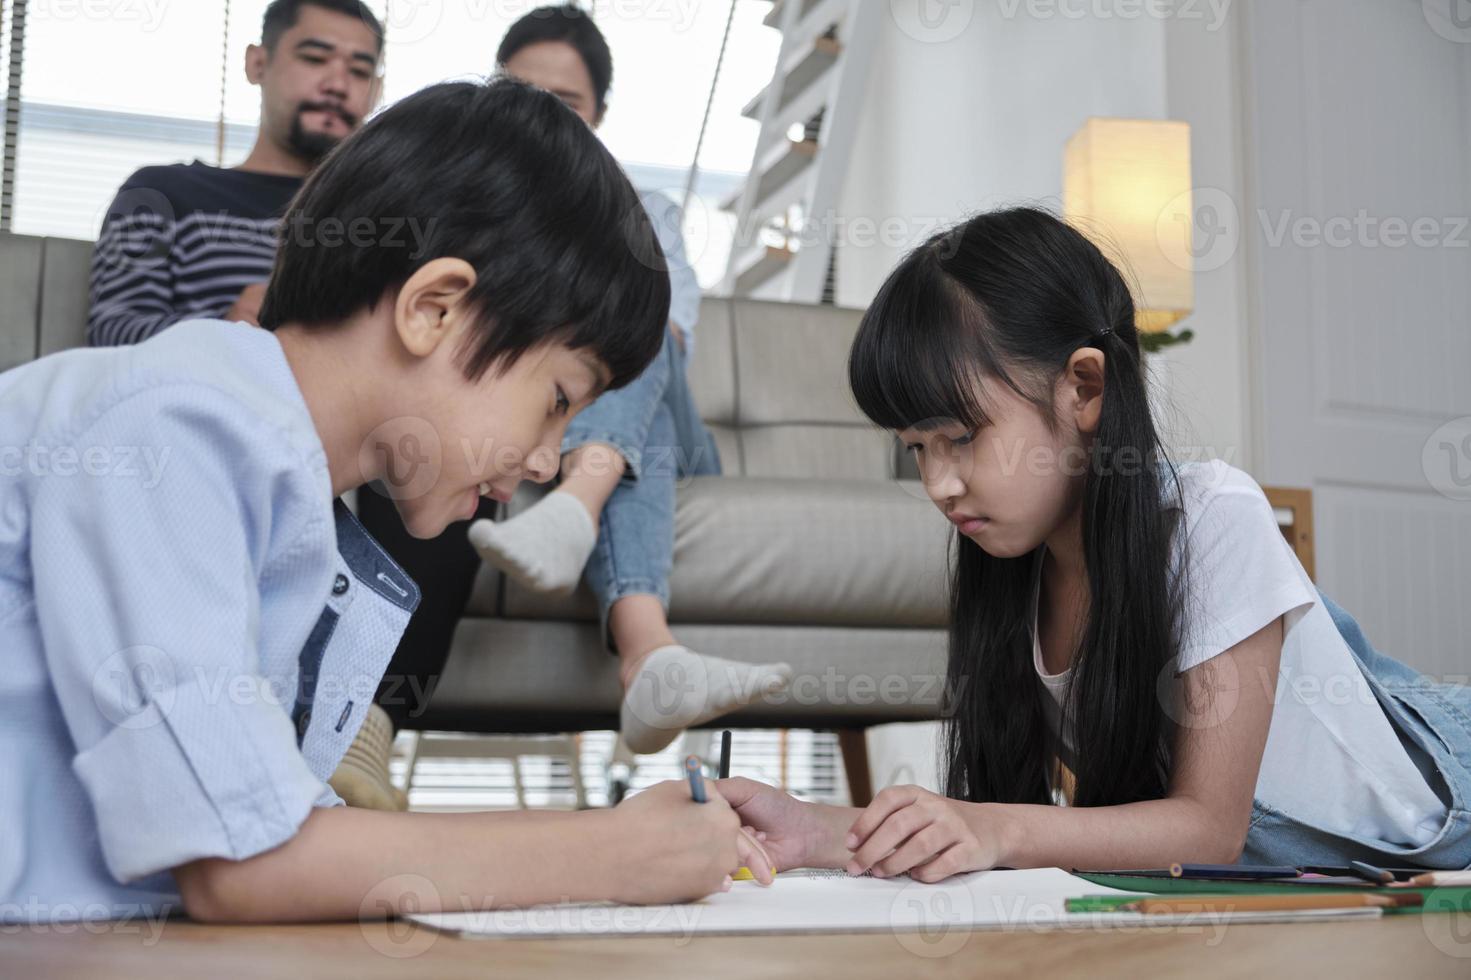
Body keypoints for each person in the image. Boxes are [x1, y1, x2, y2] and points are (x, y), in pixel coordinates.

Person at [1, 77, 772, 926]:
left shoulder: (289, 507)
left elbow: (276, 830)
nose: (548, 459)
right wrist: (616, 853)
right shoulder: (171, 429)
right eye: (557, 399)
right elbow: (240, 862)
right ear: (433, 309)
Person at [713, 207, 1471, 876]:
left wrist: (992, 827)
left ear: (1083, 388)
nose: (938, 484)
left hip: (1444, 781)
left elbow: (1208, 828)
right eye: (917, 449)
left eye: (962, 438)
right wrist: (812, 830)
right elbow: (1005, 821)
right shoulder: (1014, 566)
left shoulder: (1210, 516)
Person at [358, 5, 792, 753]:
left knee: (637, 313)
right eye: (518, 96)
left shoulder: (642, 210)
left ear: (598, 117)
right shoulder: (466, 215)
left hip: (663, 421)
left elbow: (663, 341)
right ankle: (649, 654)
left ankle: (576, 505)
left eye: (562, 107)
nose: (538, 123)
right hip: (601, 441)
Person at [87, 0, 382, 346]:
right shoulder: (161, 194)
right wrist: (226, 331)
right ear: (257, 63)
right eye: (314, 59)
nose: (338, 85)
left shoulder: (387, 217)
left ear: (375, 91)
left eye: (359, 71)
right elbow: (111, 337)